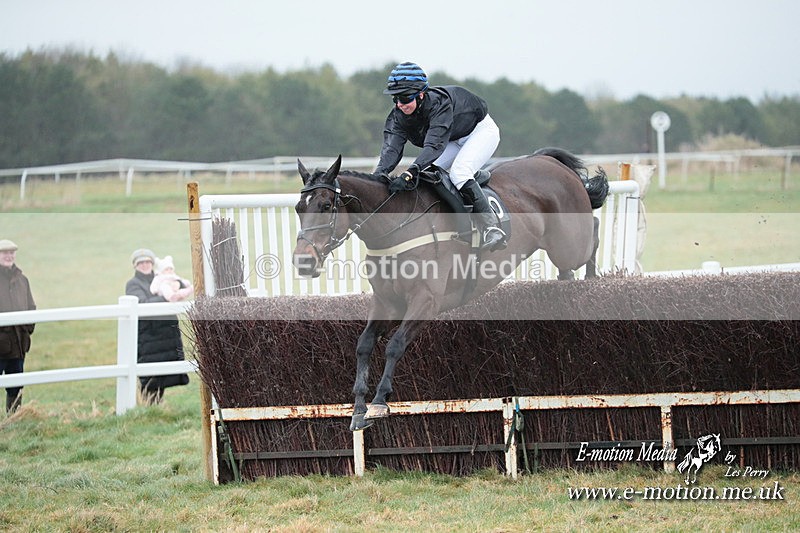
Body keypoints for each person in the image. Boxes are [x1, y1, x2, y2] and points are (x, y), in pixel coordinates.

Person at [375, 61, 507, 250]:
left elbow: (434, 146)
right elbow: (391, 149)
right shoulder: (398, 116)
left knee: (459, 172)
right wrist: (379, 174)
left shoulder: (439, 104)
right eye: (395, 98)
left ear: (420, 95)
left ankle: (492, 228)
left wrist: (410, 172)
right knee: (427, 174)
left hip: (479, 132)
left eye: (404, 98)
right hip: (452, 138)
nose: (399, 104)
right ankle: (476, 177)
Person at [125, 248, 189, 405]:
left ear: (152, 263)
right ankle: (150, 408)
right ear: (135, 266)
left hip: (166, 334)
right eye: (141, 263)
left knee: (163, 374)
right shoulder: (133, 284)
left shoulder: (161, 277)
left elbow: (179, 282)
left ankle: (157, 409)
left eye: (147, 262)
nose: (145, 265)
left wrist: (177, 284)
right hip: (149, 336)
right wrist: (166, 297)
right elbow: (142, 304)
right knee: (150, 377)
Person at [0, 239, 36, 414]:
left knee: (16, 386)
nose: (9, 256)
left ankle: (13, 420)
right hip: (0, 344)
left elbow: (31, 307)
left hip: (18, 344)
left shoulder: (22, 280)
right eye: (4, 253)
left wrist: (27, 330)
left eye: (11, 252)